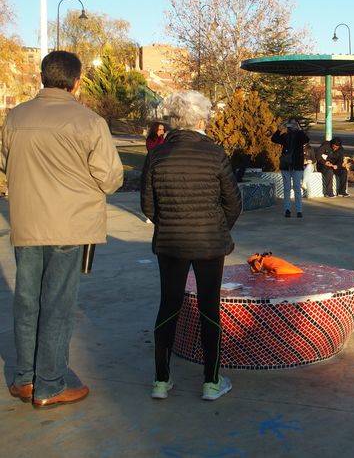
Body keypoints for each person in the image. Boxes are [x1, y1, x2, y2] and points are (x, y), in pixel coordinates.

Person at [0, 51, 123, 408]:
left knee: (26, 299)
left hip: (26, 223)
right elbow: (111, 178)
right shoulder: (88, 122)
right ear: (76, 81)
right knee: (57, 303)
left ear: (42, 77)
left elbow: (5, 161)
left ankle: (24, 379)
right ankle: (51, 384)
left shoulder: (15, 117)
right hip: (69, 226)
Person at [141, 97, 242, 401]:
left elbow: (148, 204)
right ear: (201, 120)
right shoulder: (214, 153)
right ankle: (211, 382)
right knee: (209, 307)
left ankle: (161, 379)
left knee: (168, 305)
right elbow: (233, 202)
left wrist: (170, 222)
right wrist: (217, 226)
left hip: (171, 243)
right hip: (209, 242)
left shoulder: (157, 155)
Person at [272, 119, 309, 218]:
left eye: (293, 125)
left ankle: (299, 210)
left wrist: (300, 129)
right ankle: (287, 209)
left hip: (296, 166)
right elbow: (274, 139)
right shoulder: (285, 136)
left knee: (296, 188)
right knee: (287, 188)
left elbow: (306, 139)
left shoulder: (299, 137)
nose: (292, 127)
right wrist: (279, 129)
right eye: (290, 125)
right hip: (286, 166)